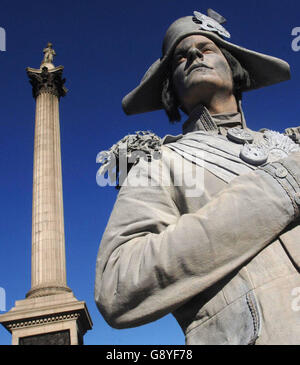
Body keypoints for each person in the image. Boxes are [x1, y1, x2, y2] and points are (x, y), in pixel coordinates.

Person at [95, 10, 300, 345]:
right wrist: (284, 185)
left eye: (207, 48)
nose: (193, 55)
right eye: (180, 57)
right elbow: (119, 285)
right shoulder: (159, 164)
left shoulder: (290, 144)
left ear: (235, 68)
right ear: (170, 90)